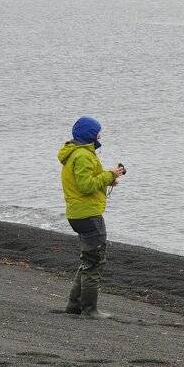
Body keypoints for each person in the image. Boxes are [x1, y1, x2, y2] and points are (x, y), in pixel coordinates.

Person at [57, 116, 126, 319]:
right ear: (90, 135)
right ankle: (89, 309)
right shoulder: (83, 155)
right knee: (94, 262)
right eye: (97, 133)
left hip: (78, 213)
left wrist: (109, 179)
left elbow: (84, 181)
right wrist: (109, 175)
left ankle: (74, 305)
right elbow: (86, 185)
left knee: (88, 260)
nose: (100, 136)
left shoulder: (75, 153)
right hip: (88, 214)